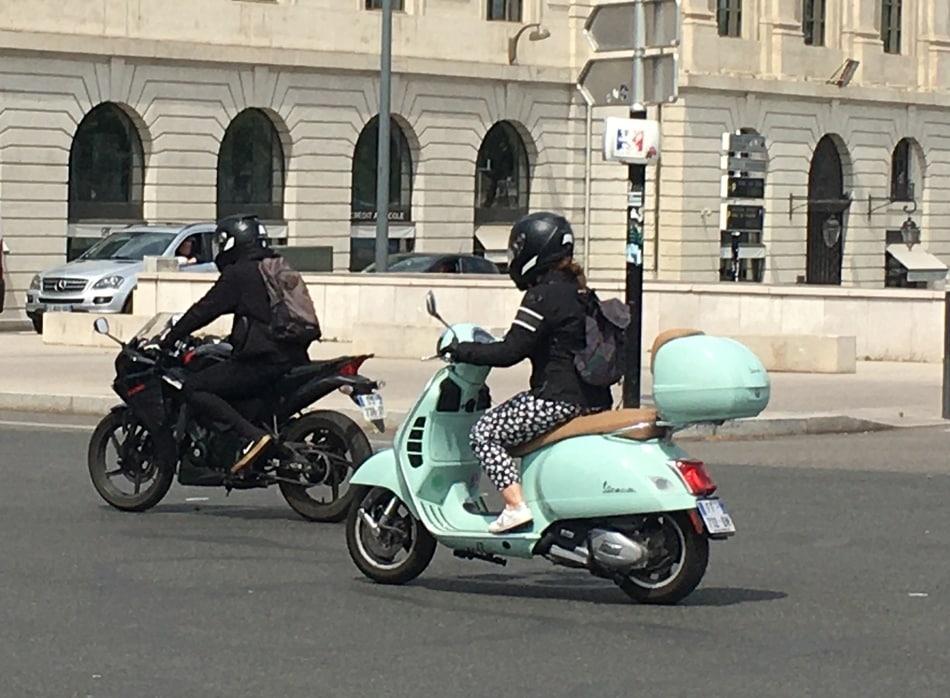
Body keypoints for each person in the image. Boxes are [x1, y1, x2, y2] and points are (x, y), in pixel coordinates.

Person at [444, 211, 612, 534]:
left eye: (518, 247)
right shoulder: (581, 292)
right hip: (592, 398)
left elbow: (510, 352)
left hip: (556, 400)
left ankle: (515, 505)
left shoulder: (542, 296)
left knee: (485, 432)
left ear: (535, 250)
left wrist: (460, 350)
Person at [161, 214, 312, 474]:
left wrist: (172, 336)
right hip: (294, 357)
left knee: (195, 387)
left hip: (262, 361)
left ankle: (252, 437)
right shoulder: (276, 266)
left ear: (231, 242)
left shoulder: (240, 273)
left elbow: (205, 310)